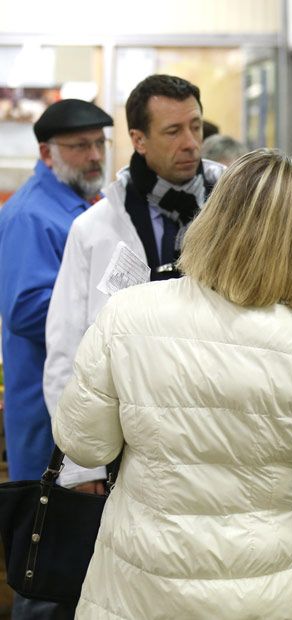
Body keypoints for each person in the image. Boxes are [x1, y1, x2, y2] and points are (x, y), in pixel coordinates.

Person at [50, 148, 292, 618]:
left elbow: (84, 444)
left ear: (214, 217)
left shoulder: (129, 313)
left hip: (142, 587)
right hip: (270, 593)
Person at [43, 75, 224, 491]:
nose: (191, 143)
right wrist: (81, 465)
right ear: (139, 140)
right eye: (173, 131)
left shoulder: (238, 211)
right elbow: (67, 348)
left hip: (221, 430)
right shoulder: (95, 229)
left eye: (196, 126)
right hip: (131, 442)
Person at [0, 98, 112, 620]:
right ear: (47, 153)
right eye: (80, 146)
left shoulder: (82, 204)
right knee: (48, 564)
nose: (94, 156)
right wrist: (103, 309)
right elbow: (25, 310)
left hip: (80, 411)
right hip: (47, 418)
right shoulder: (31, 215)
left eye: (99, 144)